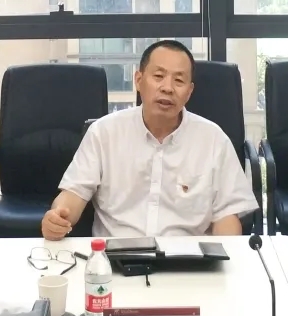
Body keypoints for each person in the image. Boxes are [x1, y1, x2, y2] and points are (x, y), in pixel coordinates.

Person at [41, 40, 259, 239]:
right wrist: (58, 217)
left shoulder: (214, 140)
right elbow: (74, 193)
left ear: (189, 91)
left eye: (179, 80)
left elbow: (227, 216)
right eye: (158, 76)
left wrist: (228, 260)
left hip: (187, 259)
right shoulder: (104, 132)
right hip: (116, 256)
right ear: (138, 80)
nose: (167, 88)